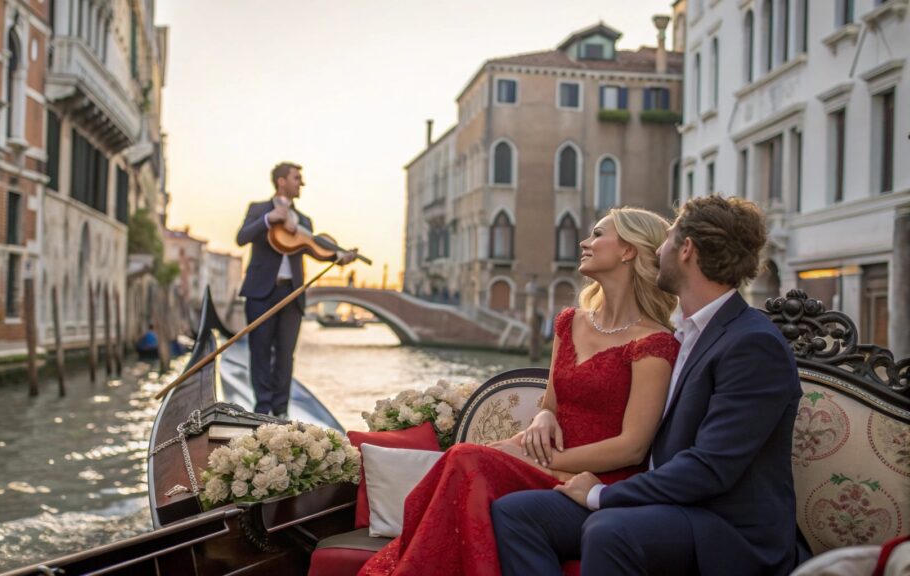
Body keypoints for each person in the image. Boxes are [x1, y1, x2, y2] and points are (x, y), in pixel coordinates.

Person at [357, 207, 680, 576]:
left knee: (465, 458)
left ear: (628, 251)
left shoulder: (653, 343)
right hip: (544, 466)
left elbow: (633, 446)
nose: (584, 242)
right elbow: (553, 402)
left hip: (594, 482)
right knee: (463, 459)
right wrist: (543, 414)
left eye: (597, 234)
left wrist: (544, 461)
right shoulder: (569, 322)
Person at [491, 195, 803, 576]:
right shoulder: (686, 333)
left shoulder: (752, 343)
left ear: (686, 250)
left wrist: (600, 495)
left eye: (668, 237)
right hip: (664, 506)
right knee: (515, 514)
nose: (659, 248)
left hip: (724, 527)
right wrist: (546, 415)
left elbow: (710, 468)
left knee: (609, 530)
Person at [236, 162, 355, 418]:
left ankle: (281, 411)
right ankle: (262, 409)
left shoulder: (304, 221)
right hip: (260, 293)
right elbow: (241, 237)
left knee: (285, 355)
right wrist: (269, 220)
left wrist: (338, 256)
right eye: (297, 178)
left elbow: (315, 249)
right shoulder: (258, 209)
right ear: (281, 181)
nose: (301, 183)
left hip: (292, 294)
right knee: (259, 352)